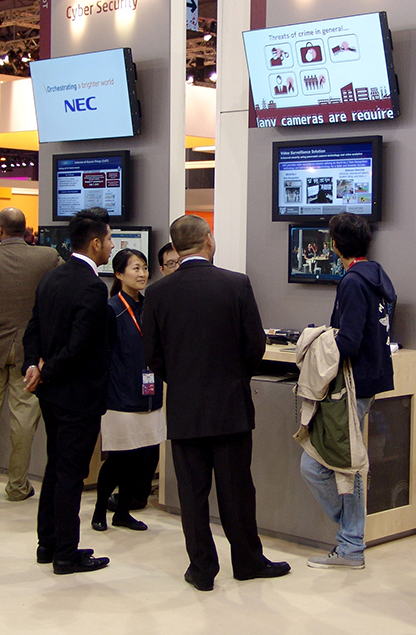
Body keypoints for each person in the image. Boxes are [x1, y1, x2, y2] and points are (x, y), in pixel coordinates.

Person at [142, 214, 290, 592]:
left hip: (184, 406)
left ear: (176, 248)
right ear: (209, 239)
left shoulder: (157, 293)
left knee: (192, 494)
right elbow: (255, 345)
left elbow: (153, 354)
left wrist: (181, 381)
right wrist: (235, 377)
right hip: (230, 405)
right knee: (237, 490)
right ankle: (247, 561)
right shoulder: (236, 284)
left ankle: (202, 569)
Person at [300, 212, 396, 569]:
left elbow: (350, 340)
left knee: (325, 466)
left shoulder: (353, 282)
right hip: (370, 380)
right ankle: (351, 537)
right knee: (342, 464)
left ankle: (351, 540)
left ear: (335, 245)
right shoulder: (377, 276)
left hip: (352, 385)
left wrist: (318, 340)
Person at [23, 207, 114, 575]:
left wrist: (33, 367)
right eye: (109, 239)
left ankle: (48, 543)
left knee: (56, 467)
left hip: (51, 394)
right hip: (77, 394)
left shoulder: (52, 277)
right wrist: (45, 372)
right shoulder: (92, 287)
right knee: (71, 474)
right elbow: (79, 346)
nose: (111, 246)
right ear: (95, 244)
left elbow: (32, 328)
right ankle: (65, 552)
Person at [0, 207, 60, 501]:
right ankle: (18, 485)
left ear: (0, 230)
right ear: (26, 229)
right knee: (24, 421)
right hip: (30, 354)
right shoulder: (48, 257)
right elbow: (60, 296)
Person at [90, 248, 165, 533]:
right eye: (136, 268)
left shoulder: (150, 306)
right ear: (119, 274)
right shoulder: (111, 309)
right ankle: (100, 510)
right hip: (119, 397)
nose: (142, 274)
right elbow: (101, 355)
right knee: (119, 458)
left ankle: (123, 512)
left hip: (149, 394)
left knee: (141, 459)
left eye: (144, 268)